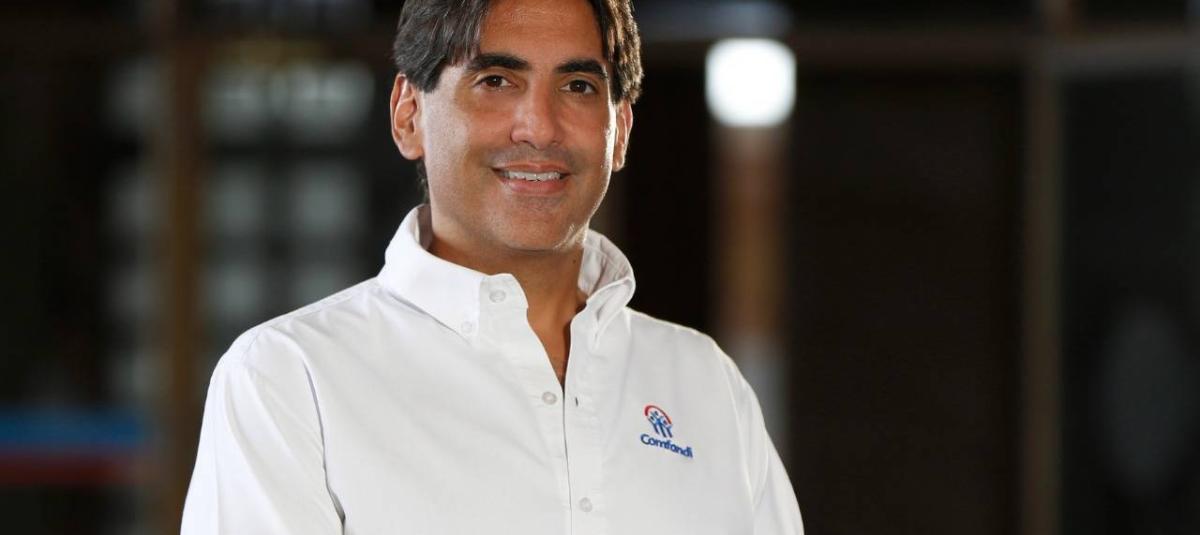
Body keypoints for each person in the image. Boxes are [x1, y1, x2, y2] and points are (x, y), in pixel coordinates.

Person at [181, 0, 803, 533]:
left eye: (578, 86)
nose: (539, 127)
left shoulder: (706, 386)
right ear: (408, 114)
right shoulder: (290, 379)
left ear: (619, 133)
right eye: (497, 80)